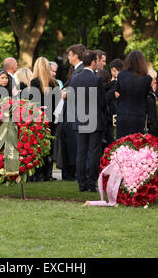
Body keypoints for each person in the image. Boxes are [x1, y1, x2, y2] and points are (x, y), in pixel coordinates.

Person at [69, 50, 107, 192]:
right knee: (94, 152)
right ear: (93, 62)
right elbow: (102, 102)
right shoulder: (96, 79)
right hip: (94, 119)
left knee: (81, 152)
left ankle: (81, 184)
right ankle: (91, 184)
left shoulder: (75, 78)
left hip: (80, 118)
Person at [29, 57, 60, 182]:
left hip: (39, 118)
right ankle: (49, 174)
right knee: (50, 145)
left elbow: (32, 101)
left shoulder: (34, 82)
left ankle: (40, 174)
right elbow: (58, 102)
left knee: (39, 146)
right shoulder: (54, 82)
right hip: (51, 118)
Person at [58, 44, 86, 181]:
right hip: (69, 112)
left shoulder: (80, 71)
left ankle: (72, 172)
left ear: (76, 55)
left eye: (70, 55)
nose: (68, 57)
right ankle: (68, 171)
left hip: (74, 112)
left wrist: (65, 93)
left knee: (73, 143)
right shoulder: (76, 70)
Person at [116, 50, 152, 138]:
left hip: (123, 113)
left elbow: (119, 92)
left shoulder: (121, 75)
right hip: (138, 115)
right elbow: (145, 97)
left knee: (122, 144)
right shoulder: (147, 79)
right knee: (137, 144)